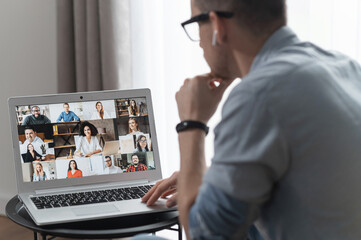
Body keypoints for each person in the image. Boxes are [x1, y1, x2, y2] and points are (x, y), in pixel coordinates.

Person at [141, 0, 361, 239]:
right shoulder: (345, 66)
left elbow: (205, 234)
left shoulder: (259, 94)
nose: (200, 44)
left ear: (217, 26)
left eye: (195, 24)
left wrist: (191, 124)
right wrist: (205, 178)